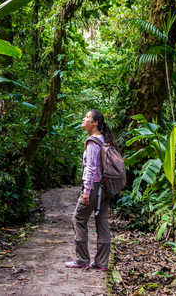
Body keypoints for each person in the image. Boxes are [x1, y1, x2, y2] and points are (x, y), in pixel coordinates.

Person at [64, 109, 116, 271]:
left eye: (87, 117)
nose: (84, 118)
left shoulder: (93, 142)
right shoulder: (104, 140)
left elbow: (91, 168)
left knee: (78, 219)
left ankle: (82, 259)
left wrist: (86, 191)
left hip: (94, 187)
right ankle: (101, 262)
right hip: (105, 188)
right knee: (102, 221)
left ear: (94, 123)